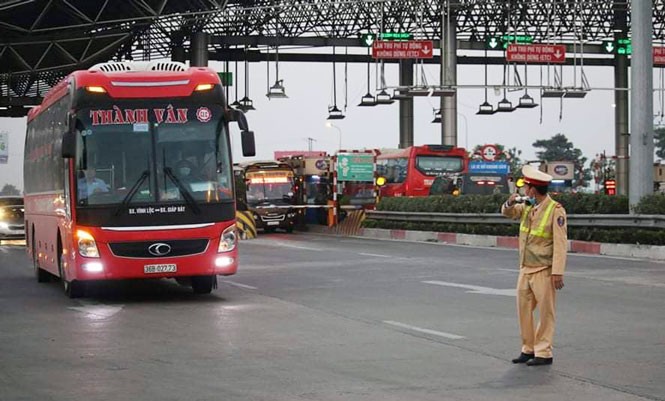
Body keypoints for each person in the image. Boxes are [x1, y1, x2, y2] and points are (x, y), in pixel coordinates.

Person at [501, 164, 567, 367]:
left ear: (533, 189)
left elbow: (561, 244)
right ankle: (527, 348)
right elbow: (507, 213)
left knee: (546, 312)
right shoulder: (528, 206)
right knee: (523, 310)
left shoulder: (555, 210)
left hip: (544, 270)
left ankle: (544, 351)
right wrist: (509, 202)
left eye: (526, 186)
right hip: (525, 268)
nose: (524, 189)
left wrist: (557, 272)